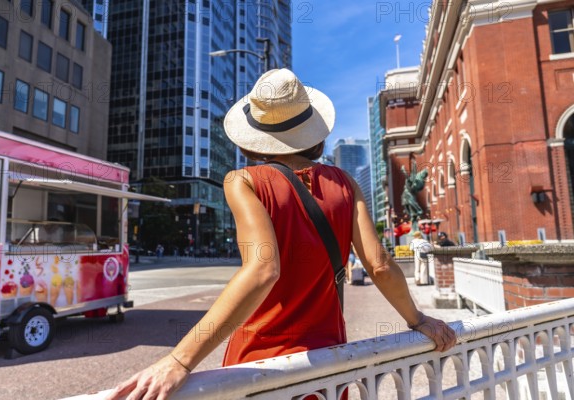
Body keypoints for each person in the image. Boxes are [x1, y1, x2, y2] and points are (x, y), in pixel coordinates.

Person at [106, 69, 456, 400]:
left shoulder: (243, 181)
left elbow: (263, 270)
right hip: (327, 364)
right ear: (313, 133)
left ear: (256, 138)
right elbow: (379, 265)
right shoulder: (346, 185)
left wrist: (180, 360)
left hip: (259, 366)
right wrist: (419, 320)